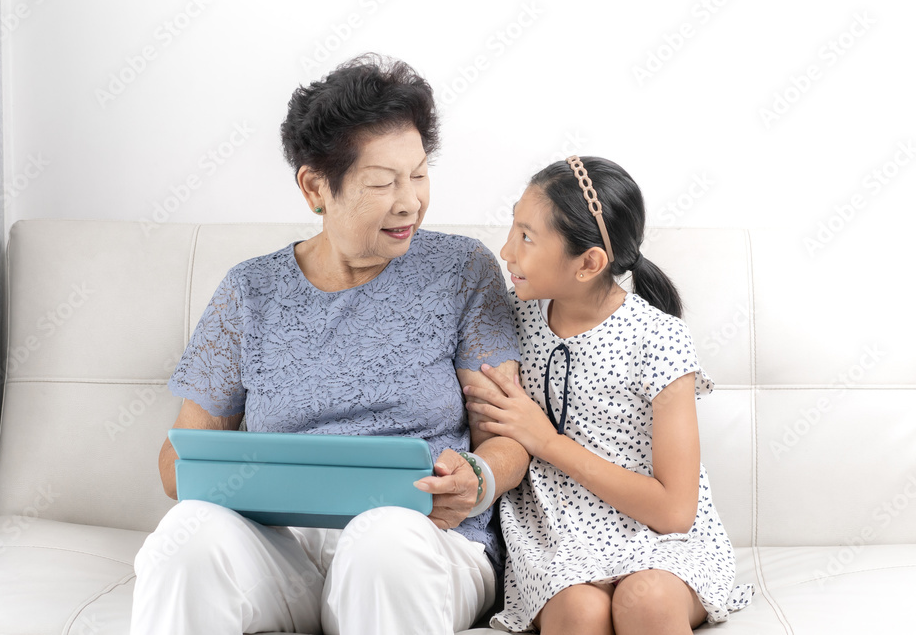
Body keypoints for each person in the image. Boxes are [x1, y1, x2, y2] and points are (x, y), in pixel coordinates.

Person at [130, 55, 529, 635]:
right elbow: (178, 465)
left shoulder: (462, 270)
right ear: (316, 187)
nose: (410, 201)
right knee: (184, 540)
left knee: (382, 540)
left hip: (424, 541)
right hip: (285, 547)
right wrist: (240, 480)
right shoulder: (251, 289)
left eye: (418, 174)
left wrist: (476, 477)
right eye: (382, 182)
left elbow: (507, 440)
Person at [462, 157, 754, 634]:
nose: (507, 250)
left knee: (648, 603)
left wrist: (547, 442)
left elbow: (676, 511)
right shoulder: (511, 317)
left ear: (590, 263)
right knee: (581, 614)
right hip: (556, 543)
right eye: (513, 227)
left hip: (659, 539)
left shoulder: (660, 339)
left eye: (527, 237)